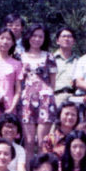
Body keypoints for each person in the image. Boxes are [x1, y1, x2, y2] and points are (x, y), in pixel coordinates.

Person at [19, 23, 58, 154]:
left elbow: (53, 83)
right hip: (26, 101)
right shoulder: (19, 56)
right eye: (34, 36)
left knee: (43, 142)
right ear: (28, 37)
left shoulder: (49, 56)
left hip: (45, 100)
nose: (37, 39)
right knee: (29, 141)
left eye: (40, 36)